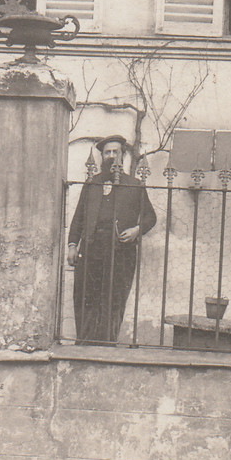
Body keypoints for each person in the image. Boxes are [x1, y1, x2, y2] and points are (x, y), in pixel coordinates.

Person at [68, 136, 156, 344]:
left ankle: (107, 344)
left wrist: (136, 230)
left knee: (113, 300)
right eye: (107, 153)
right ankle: (85, 343)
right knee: (86, 299)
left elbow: (150, 217)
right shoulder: (92, 184)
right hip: (91, 249)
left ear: (123, 156)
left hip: (121, 253)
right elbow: (78, 218)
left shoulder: (134, 185)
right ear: (102, 157)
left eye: (115, 152)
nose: (111, 156)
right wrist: (73, 245)